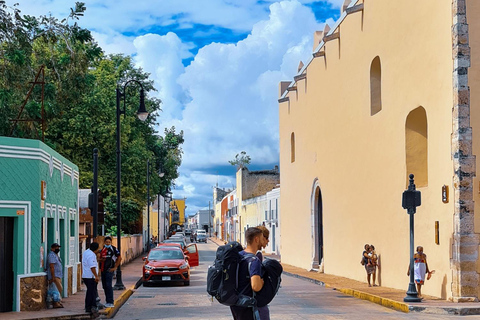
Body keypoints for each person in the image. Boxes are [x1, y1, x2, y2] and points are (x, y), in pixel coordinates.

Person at [230, 227, 265, 320]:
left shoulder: (239, 255)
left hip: (235, 302)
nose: (263, 241)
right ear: (256, 239)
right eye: (262, 238)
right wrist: (262, 281)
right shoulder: (254, 260)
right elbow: (255, 286)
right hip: (247, 305)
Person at [98, 236, 121, 308]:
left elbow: (119, 258)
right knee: (104, 286)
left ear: (111, 243)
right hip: (103, 270)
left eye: (109, 242)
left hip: (109, 270)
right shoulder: (103, 250)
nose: (108, 243)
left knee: (108, 285)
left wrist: (115, 267)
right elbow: (100, 259)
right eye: (106, 242)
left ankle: (110, 301)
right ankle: (107, 301)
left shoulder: (113, 249)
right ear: (104, 242)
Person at [255, 226, 270, 320]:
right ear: (260, 238)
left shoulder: (242, 255)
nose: (268, 241)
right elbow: (256, 286)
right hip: (257, 304)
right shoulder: (256, 257)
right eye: (266, 238)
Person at [83, 242, 100, 316]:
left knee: (90, 291)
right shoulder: (91, 255)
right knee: (91, 292)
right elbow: (92, 267)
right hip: (90, 276)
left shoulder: (86, 252)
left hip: (86, 275)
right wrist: (96, 276)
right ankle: (91, 306)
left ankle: (90, 306)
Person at [47, 243, 63, 308]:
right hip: (55, 275)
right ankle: (55, 303)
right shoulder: (51, 255)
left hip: (58, 275)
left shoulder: (56, 255)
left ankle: (57, 302)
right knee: (56, 289)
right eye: (56, 248)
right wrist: (53, 276)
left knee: (58, 289)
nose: (58, 249)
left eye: (58, 248)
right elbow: (52, 266)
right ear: (52, 248)